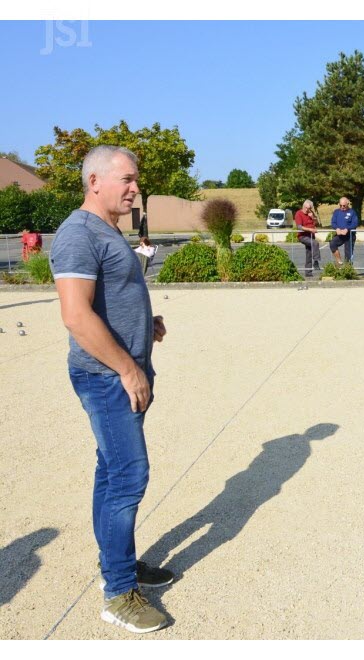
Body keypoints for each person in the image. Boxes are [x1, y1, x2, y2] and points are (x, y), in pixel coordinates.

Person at [50, 145, 173, 632]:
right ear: (94, 180)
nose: (134, 187)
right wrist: (128, 368)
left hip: (121, 368)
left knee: (111, 471)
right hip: (105, 377)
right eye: (126, 179)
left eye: (135, 179)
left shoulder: (107, 232)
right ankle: (119, 591)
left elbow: (110, 300)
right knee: (129, 474)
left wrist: (147, 324)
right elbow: (76, 315)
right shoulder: (78, 234)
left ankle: (119, 563)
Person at [329, 197, 359, 265]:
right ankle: (339, 261)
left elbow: (355, 223)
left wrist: (347, 229)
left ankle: (348, 269)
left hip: (349, 236)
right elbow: (333, 223)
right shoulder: (336, 212)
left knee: (348, 254)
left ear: (348, 204)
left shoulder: (352, 212)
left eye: (344, 205)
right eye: (340, 205)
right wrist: (337, 228)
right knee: (332, 243)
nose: (342, 207)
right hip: (340, 235)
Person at [295, 200, 321, 273]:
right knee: (315, 243)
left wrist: (313, 217)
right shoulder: (298, 213)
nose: (307, 210)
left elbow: (317, 224)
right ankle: (316, 261)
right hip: (303, 236)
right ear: (303, 206)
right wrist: (310, 229)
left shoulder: (311, 213)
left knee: (309, 252)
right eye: (306, 208)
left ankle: (308, 272)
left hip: (311, 236)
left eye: (309, 208)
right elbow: (299, 227)